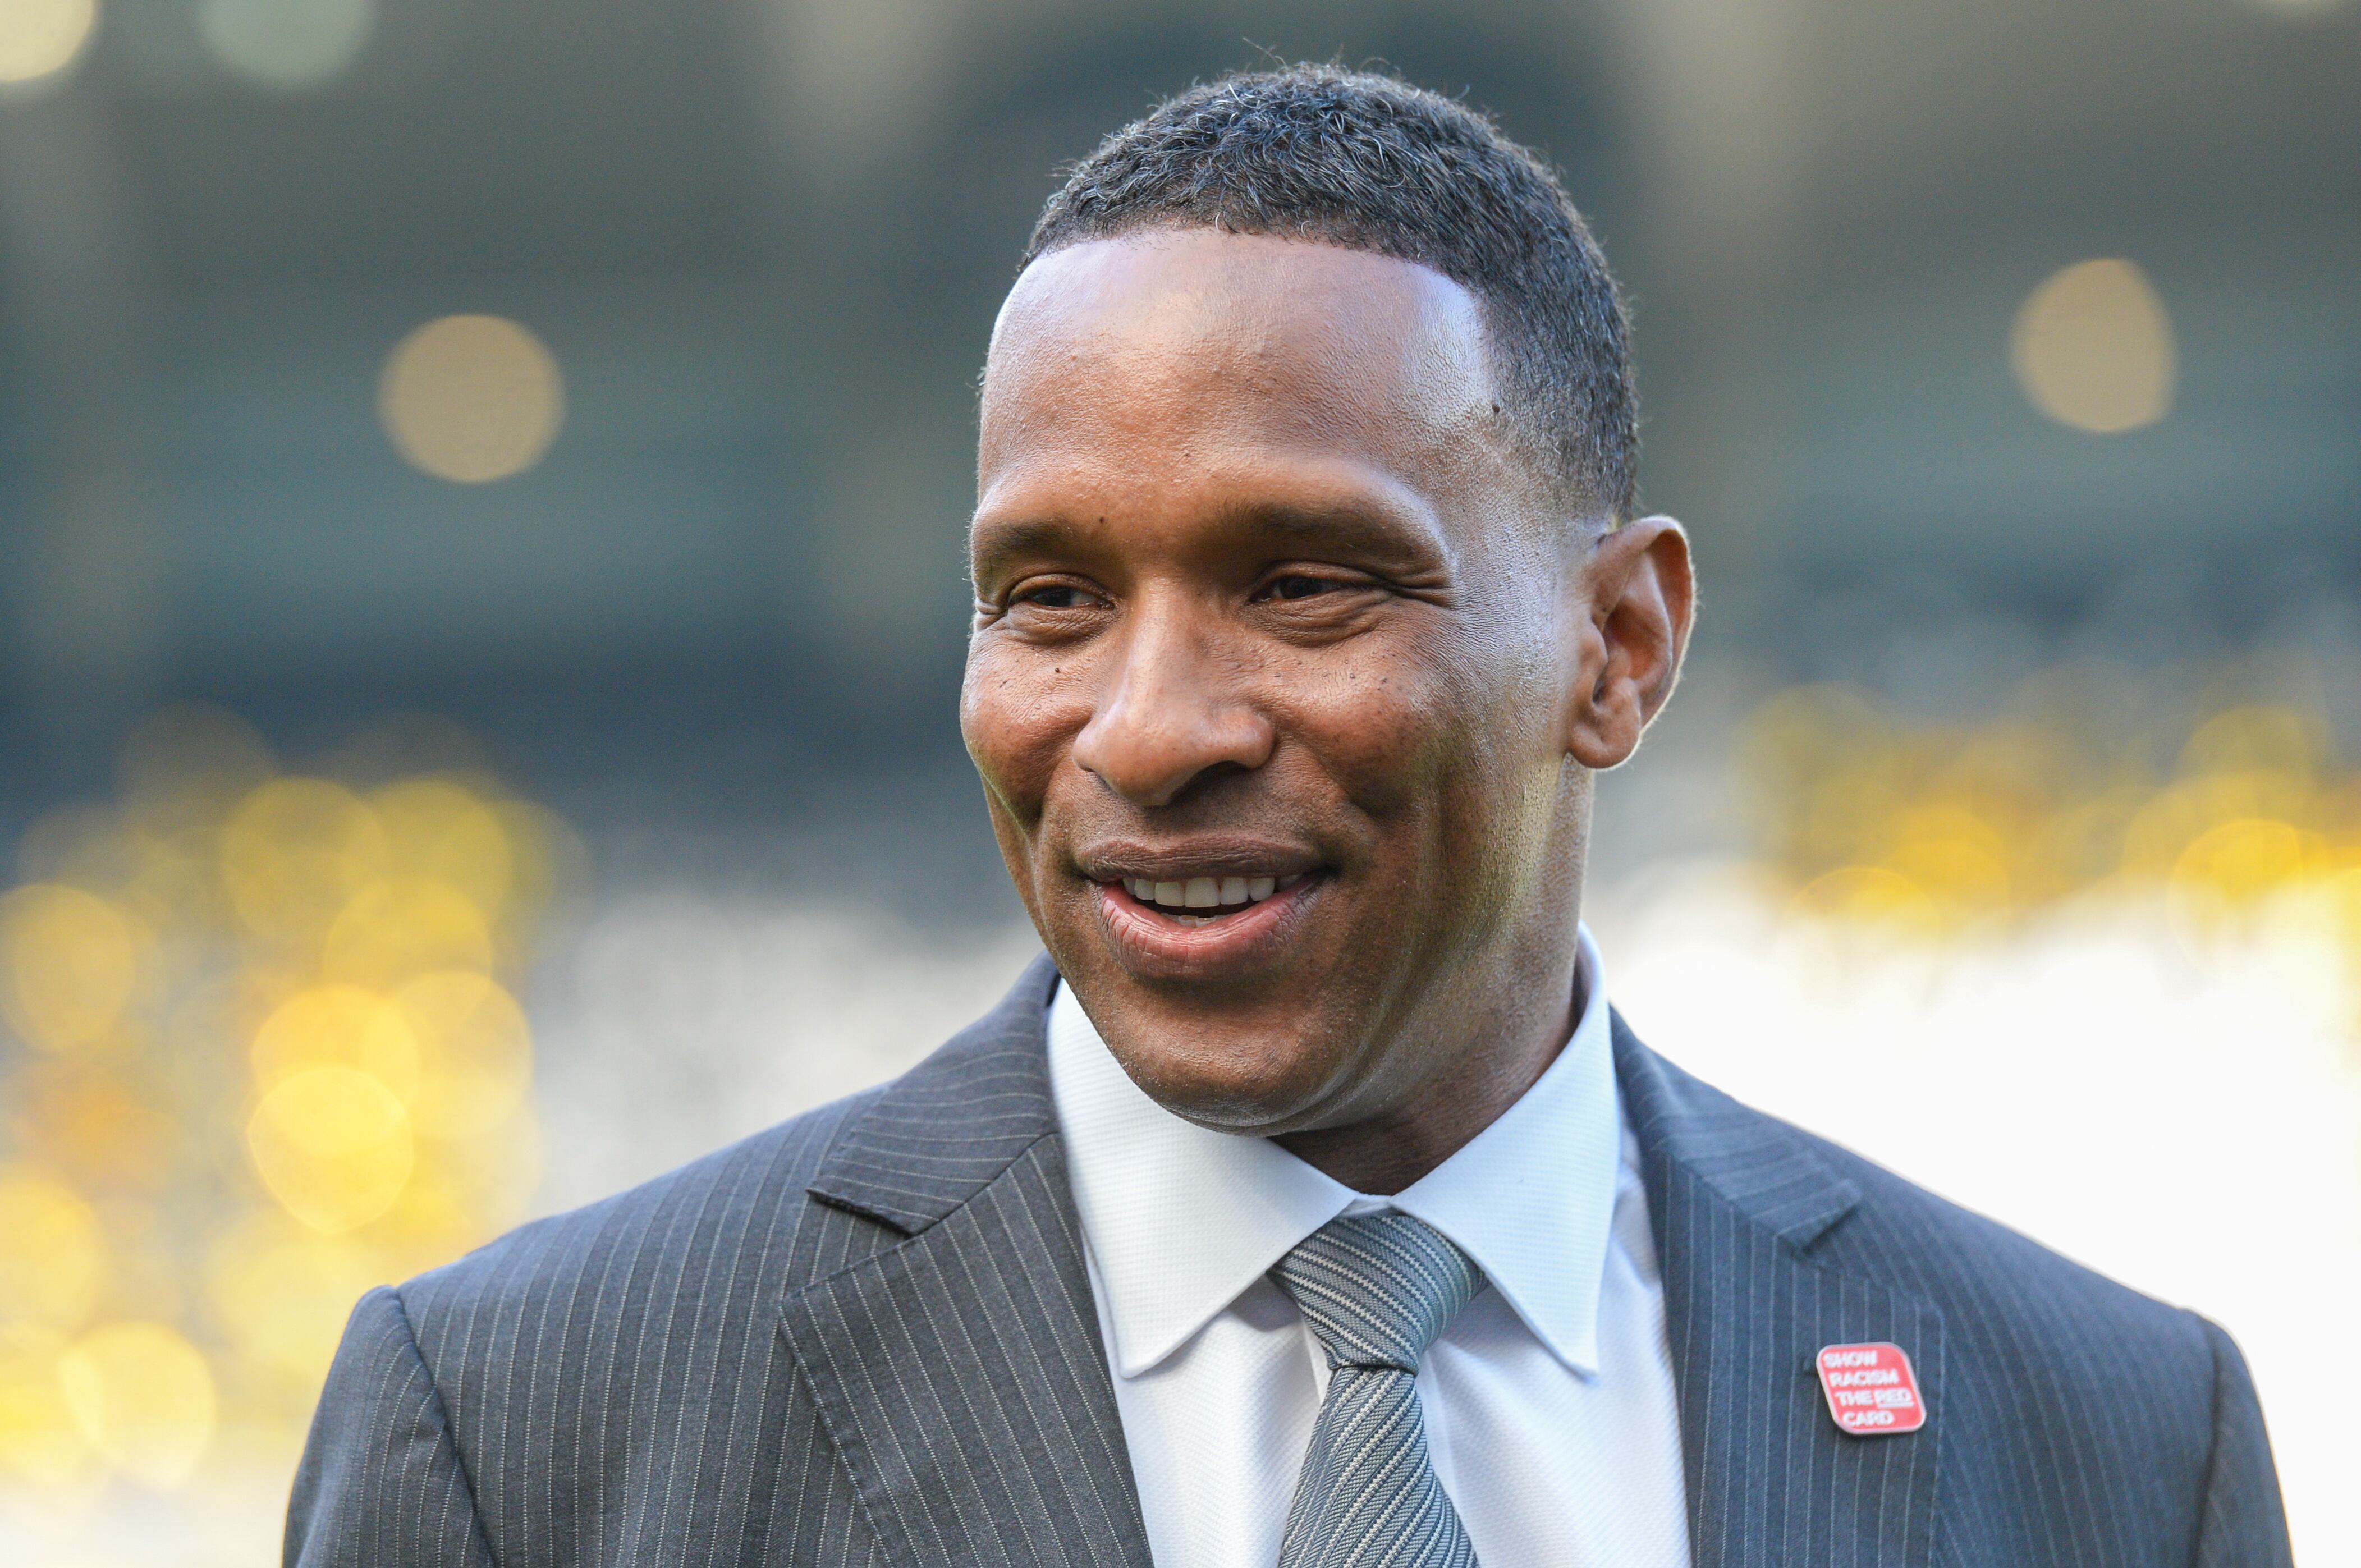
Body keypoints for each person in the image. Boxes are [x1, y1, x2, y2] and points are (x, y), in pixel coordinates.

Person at [286, 67, 2291, 1568]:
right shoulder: (526, 1436)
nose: (1144, 732)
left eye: (1307, 582)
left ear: (1620, 645)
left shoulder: (2113, 1440)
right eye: (1049, 599)